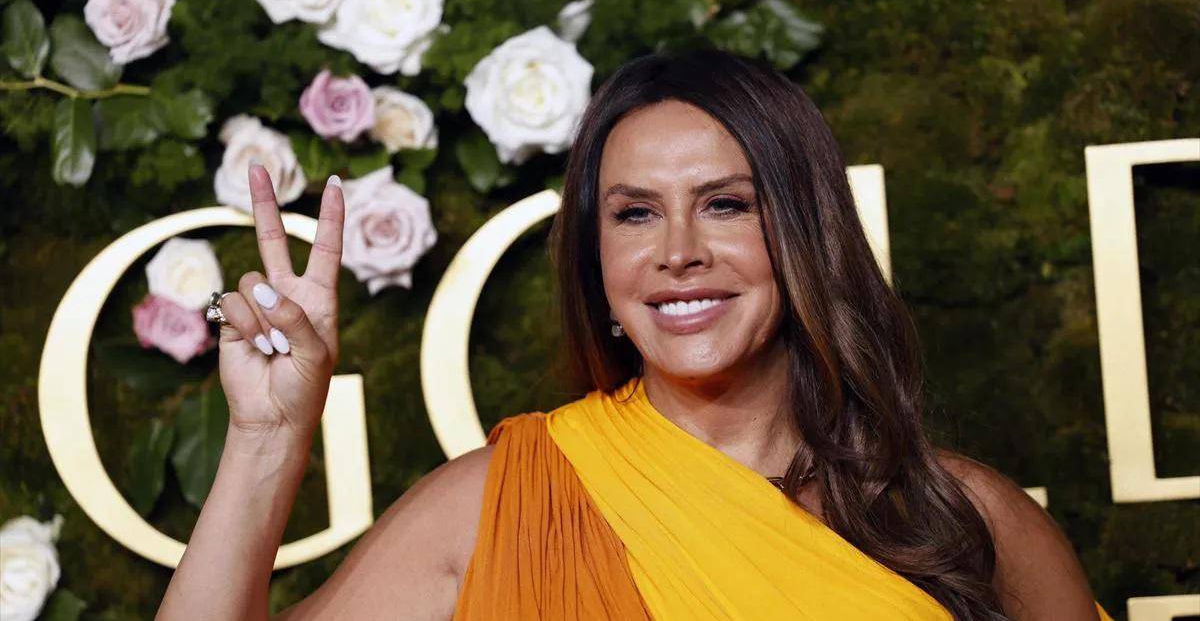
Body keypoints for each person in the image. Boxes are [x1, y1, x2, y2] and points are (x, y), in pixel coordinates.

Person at [157, 49, 1113, 620]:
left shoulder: (963, 519)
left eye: (727, 204)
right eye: (635, 214)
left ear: (805, 234)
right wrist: (266, 439)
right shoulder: (498, 506)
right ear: (599, 262)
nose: (679, 252)